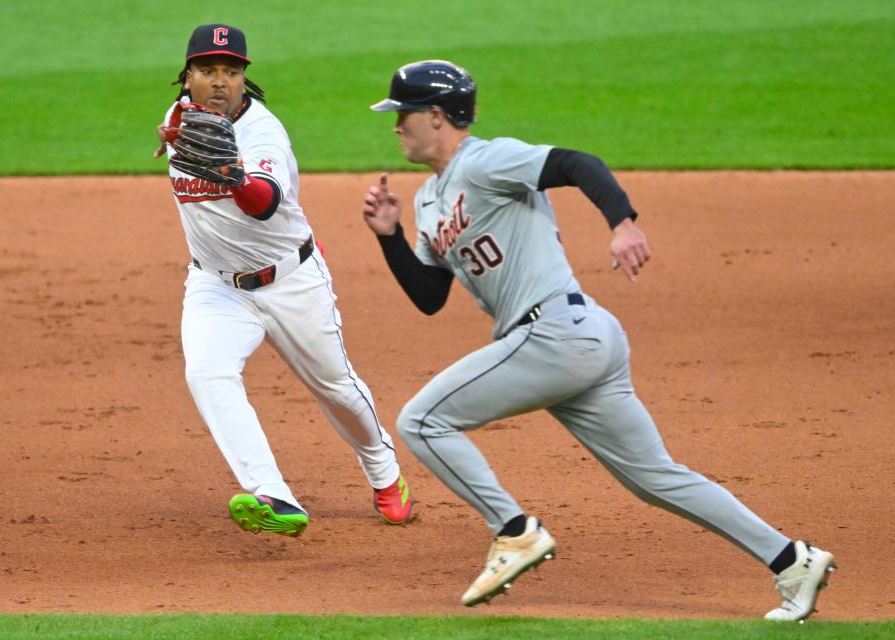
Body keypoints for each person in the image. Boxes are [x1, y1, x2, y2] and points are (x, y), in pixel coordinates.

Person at [361, 59, 835, 620]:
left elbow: (576, 163)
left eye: (404, 114)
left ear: (436, 117)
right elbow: (429, 296)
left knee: (422, 421)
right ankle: (791, 559)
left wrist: (622, 222)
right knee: (654, 478)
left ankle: (514, 532)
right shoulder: (425, 202)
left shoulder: (485, 160)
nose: (396, 126)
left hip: (556, 333)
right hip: (575, 340)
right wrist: (390, 238)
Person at [154, 24, 413, 538]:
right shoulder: (178, 118)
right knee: (207, 374)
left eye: (232, 71)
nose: (221, 82)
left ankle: (385, 473)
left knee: (334, 387)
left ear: (245, 79)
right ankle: (273, 494)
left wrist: (233, 174)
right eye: (209, 71)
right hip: (215, 285)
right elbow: (179, 141)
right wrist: (175, 137)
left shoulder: (263, 132)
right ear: (188, 76)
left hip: (290, 281)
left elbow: (265, 202)